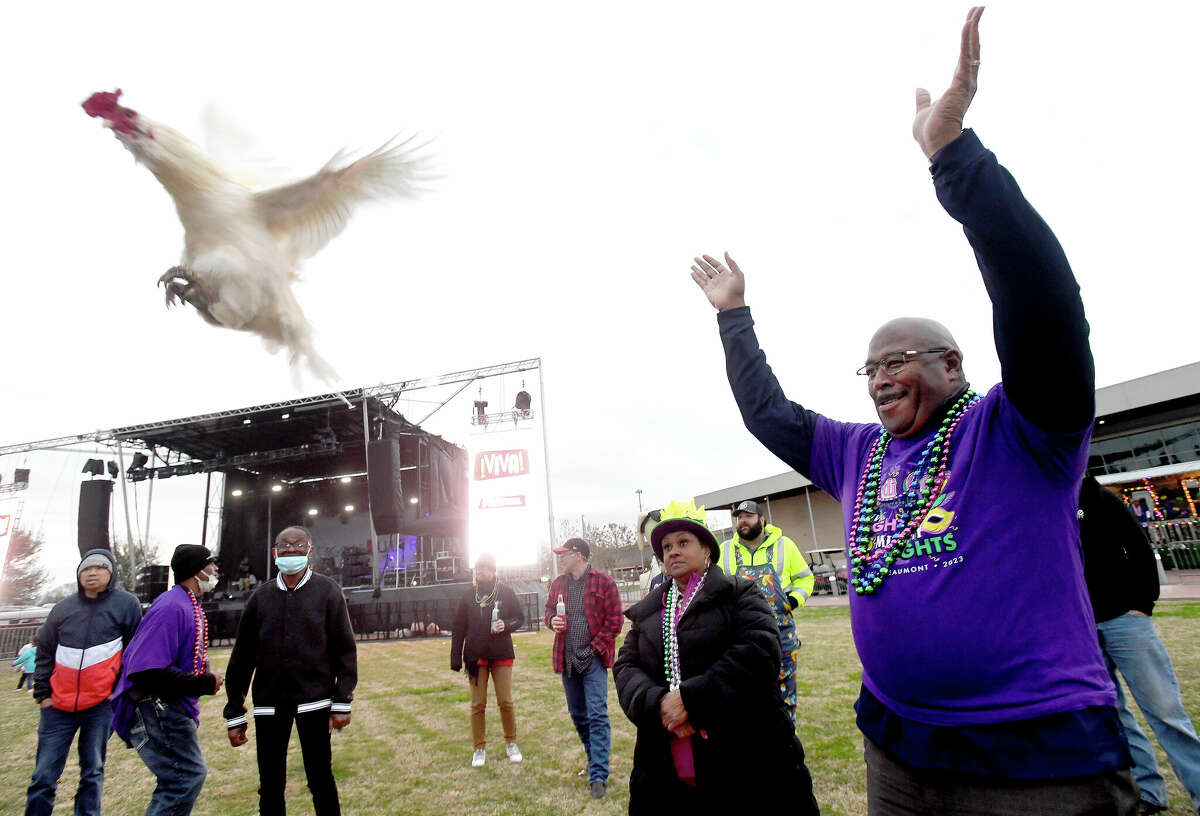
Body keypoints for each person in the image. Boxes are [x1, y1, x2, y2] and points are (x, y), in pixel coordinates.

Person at [690, 9, 1139, 814]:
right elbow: (768, 414)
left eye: (897, 361)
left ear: (952, 363)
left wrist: (953, 159)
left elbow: (1043, 304)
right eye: (869, 368)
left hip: (1034, 756)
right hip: (896, 745)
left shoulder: (1020, 429)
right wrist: (734, 315)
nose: (878, 380)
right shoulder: (856, 452)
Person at [615, 499, 820, 814]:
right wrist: (660, 704)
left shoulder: (740, 594)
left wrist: (692, 700)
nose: (673, 551)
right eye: (666, 547)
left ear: (707, 549)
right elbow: (626, 667)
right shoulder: (650, 610)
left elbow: (759, 653)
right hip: (665, 767)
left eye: (683, 542)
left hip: (744, 761)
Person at [1079, 475, 1200, 814]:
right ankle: (1149, 791)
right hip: (1085, 628)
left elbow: (1140, 549)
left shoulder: (1101, 498)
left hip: (1124, 620)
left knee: (1164, 711)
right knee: (1115, 715)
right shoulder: (1049, 506)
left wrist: (1142, 605)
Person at [223, 525, 357, 816]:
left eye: (299, 545)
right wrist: (234, 712)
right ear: (275, 553)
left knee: (321, 779)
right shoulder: (260, 598)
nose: (291, 550)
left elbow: (344, 650)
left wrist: (342, 700)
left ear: (310, 552)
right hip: (270, 704)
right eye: (285, 545)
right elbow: (242, 658)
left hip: (316, 701)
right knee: (270, 784)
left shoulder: (328, 592)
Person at [25, 548, 142, 816]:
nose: (92, 572)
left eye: (100, 567)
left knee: (92, 771)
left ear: (111, 572)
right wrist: (43, 694)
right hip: (57, 707)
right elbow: (44, 651)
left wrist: (122, 693)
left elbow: (135, 651)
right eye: (86, 568)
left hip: (100, 706)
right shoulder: (62, 609)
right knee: (43, 776)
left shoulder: (127, 604)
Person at [111, 544, 224, 816]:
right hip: (157, 707)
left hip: (167, 707)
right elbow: (145, 670)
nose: (216, 570)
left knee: (181, 778)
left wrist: (203, 678)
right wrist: (203, 684)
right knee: (184, 778)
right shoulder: (172, 606)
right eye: (211, 564)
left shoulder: (187, 603)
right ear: (196, 571)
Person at [719, 499, 814, 723]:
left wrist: (792, 600)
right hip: (740, 635)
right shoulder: (724, 550)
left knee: (784, 692)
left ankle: (787, 744)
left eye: (748, 516)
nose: (742, 521)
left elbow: (805, 578)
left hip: (781, 634)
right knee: (744, 691)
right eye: (739, 517)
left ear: (762, 520)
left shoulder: (785, 545)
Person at [544, 537, 623, 798]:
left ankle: (598, 775)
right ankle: (592, 759)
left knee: (597, 714)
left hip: (593, 659)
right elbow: (547, 613)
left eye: (564, 554)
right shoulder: (558, 584)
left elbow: (614, 622)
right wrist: (552, 620)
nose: (561, 558)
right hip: (566, 658)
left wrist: (592, 649)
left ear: (579, 555)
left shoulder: (604, 582)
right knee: (578, 714)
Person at [450, 552, 526, 767]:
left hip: (501, 654)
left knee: (505, 702)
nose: (480, 571)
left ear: (494, 571)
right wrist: (455, 657)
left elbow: (520, 618)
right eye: (477, 568)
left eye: (484, 567)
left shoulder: (506, 593)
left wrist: (507, 625)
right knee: (478, 704)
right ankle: (479, 748)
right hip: (475, 657)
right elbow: (458, 628)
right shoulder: (468, 596)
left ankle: (511, 743)